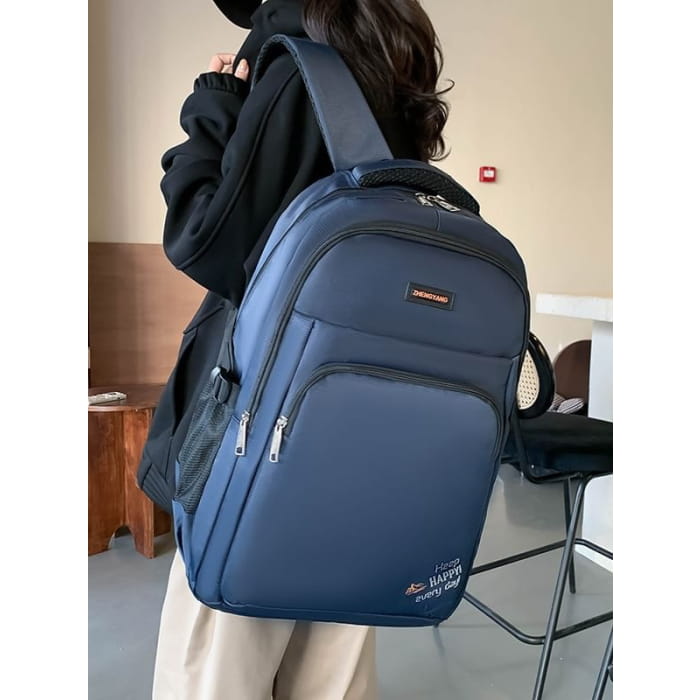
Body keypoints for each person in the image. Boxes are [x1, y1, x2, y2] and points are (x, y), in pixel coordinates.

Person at [152, 1, 451, 698]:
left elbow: (207, 238)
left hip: (261, 428)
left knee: (220, 653)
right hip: (368, 430)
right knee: (332, 664)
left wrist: (212, 108)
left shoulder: (295, 62)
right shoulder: (390, 56)